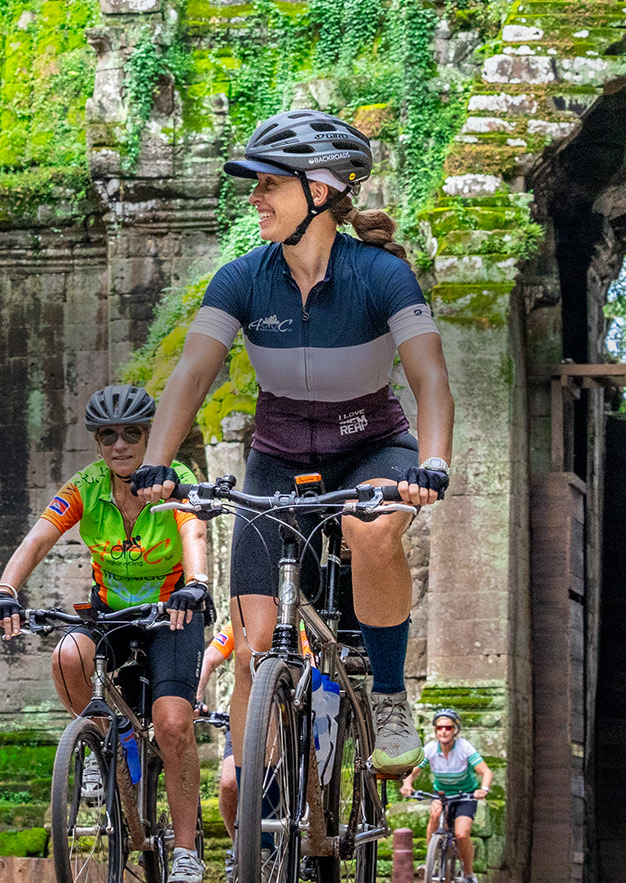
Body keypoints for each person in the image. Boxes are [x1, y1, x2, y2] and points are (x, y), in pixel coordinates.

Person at [128, 108, 455, 778]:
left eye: (267, 184)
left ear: (319, 190)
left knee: (369, 530)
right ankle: (257, 834)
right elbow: (193, 371)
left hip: (373, 447)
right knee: (251, 653)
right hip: (275, 459)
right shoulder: (242, 278)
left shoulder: (382, 277)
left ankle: (388, 695)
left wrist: (433, 461)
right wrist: (157, 461)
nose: (253, 198)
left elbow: (430, 377)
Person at [0, 385, 214, 883]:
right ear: (98, 442)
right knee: (68, 654)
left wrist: (196, 586)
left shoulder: (174, 480)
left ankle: (185, 851)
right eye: (108, 436)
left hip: (171, 615)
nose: (120, 445)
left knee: (173, 722)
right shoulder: (86, 486)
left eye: (132, 434)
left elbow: (194, 534)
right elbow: (39, 537)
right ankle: (112, 742)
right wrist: (5, 589)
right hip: (112, 614)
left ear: (149, 436)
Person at [405, 708, 492, 883]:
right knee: (435, 815)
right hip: (442, 794)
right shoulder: (430, 748)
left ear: (455, 730)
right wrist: (407, 784)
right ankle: (431, 861)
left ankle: (469, 875)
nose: (443, 731)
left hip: (465, 796)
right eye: (439, 727)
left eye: (448, 727)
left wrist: (483, 789)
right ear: (435, 730)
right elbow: (412, 771)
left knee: (461, 834)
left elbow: (486, 771)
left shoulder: (464, 748)